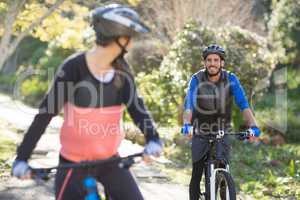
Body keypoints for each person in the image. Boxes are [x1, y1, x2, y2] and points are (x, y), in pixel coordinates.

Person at [12, 4, 163, 200]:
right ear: (118, 38)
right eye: (130, 38)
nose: (131, 44)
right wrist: (22, 158)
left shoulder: (122, 72)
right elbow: (45, 115)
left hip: (110, 163)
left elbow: (137, 109)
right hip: (73, 164)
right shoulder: (73, 68)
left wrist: (153, 139)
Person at [181, 44, 261, 200]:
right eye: (209, 60)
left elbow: (243, 104)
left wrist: (253, 126)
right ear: (204, 63)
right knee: (197, 172)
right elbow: (189, 105)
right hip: (199, 129)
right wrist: (187, 125)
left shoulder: (231, 79)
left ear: (222, 63)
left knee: (223, 167)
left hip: (222, 129)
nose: (212, 63)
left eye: (216, 60)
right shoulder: (196, 79)